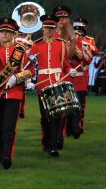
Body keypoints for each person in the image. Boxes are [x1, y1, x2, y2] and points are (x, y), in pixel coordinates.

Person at [0, 18, 30, 169]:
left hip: (14, 92)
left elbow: (30, 70)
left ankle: (7, 155)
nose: (3, 34)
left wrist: (17, 77)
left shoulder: (20, 50)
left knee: (9, 126)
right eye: (2, 31)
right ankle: (1, 152)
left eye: (7, 32)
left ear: (13, 34)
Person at [26, 14, 75, 157]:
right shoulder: (36, 45)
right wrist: (29, 82)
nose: (48, 30)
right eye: (46, 27)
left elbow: (65, 63)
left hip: (57, 82)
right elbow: (29, 66)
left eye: (51, 28)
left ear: (54, 29)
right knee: (45, 117)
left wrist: (69, 70)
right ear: (42, 28)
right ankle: (46, 141)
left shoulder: (60, 43)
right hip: (42, 85)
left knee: (56, 116)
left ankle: (53, 146)